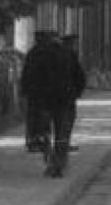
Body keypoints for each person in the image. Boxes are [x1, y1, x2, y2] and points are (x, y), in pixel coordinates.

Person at [20, 29, 87, 178]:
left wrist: (29, 97)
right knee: (63, 134)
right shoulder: (68, 53)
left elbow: (27, 78)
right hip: (65, 100)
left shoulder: (34, 54)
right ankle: (60, 163)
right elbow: (80, 77)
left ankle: (49, 159)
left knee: (43, 132)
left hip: (42, 102)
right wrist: (75, 94)